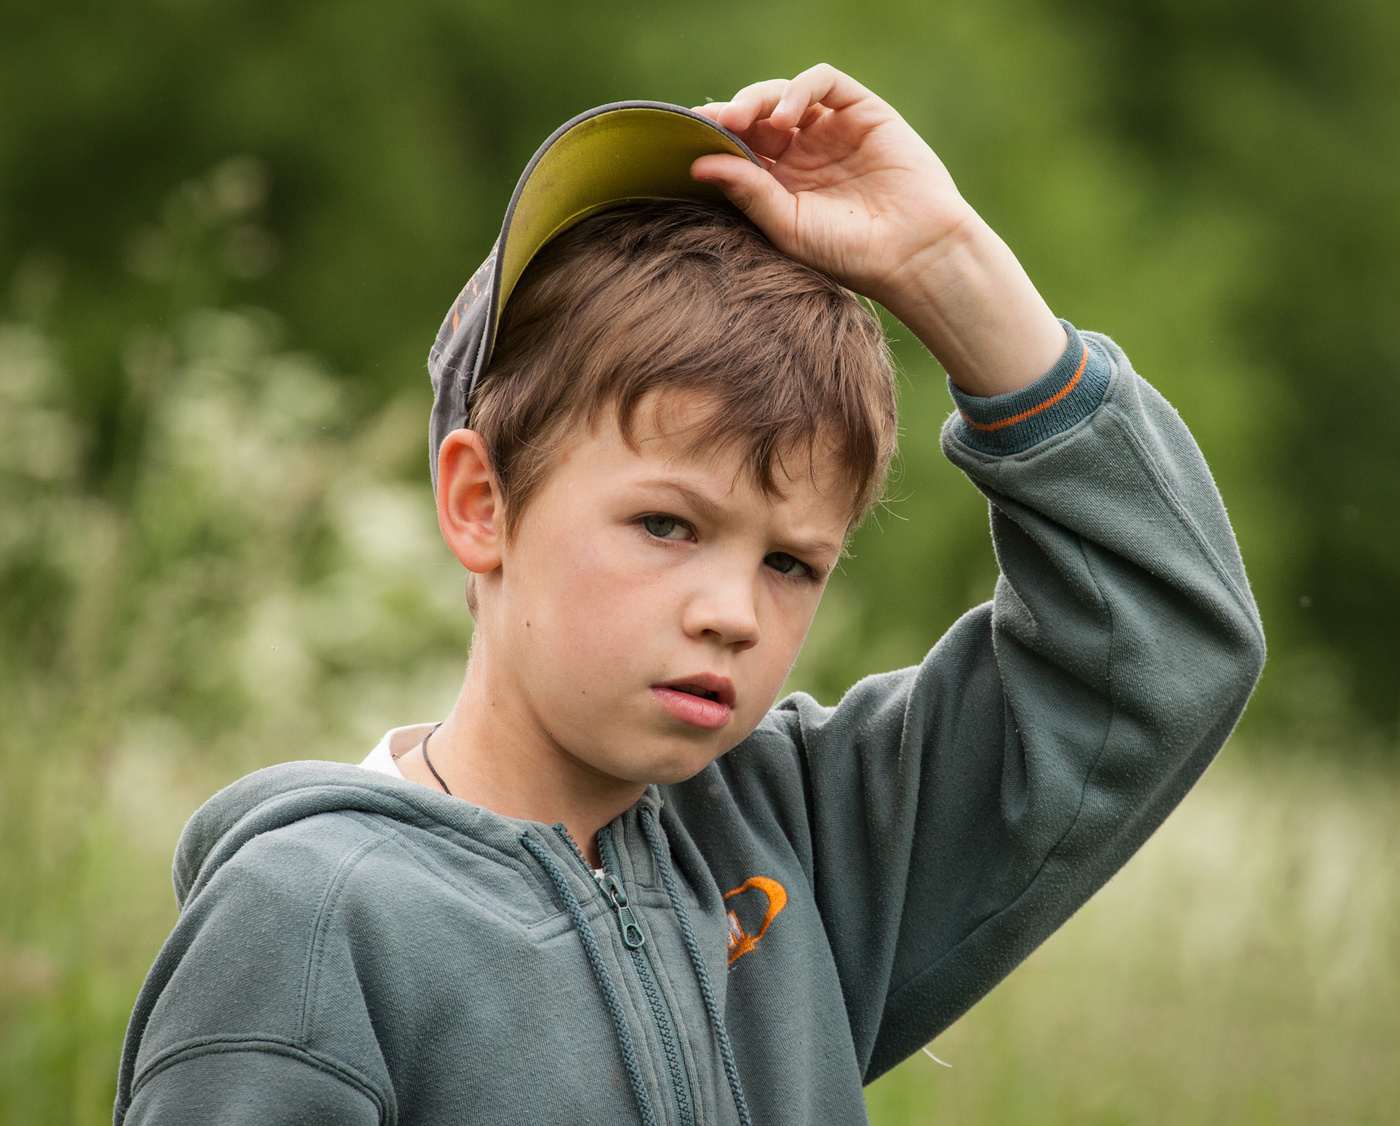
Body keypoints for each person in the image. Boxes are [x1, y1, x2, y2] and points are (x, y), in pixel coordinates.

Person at [114, 65, 1265, 1125]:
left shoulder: (802, 843)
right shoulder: (310, 925)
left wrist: (944, 265)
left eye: (789, 562)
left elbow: (1155, 646)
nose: (733, 611)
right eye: (666, 524)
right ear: (480, 504)